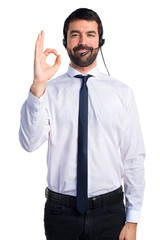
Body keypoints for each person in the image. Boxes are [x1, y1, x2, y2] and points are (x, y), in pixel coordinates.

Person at [19, 8, 145, 240]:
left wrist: (133, 218)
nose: (82, 41)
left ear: (100, 41)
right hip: (61, 214)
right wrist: (37, 85)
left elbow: (133, 157)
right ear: (66, 41)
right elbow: (28, 143)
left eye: (90, 34)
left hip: (111, 212)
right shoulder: (47, 91)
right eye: (75, 34)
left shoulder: (122, 93)